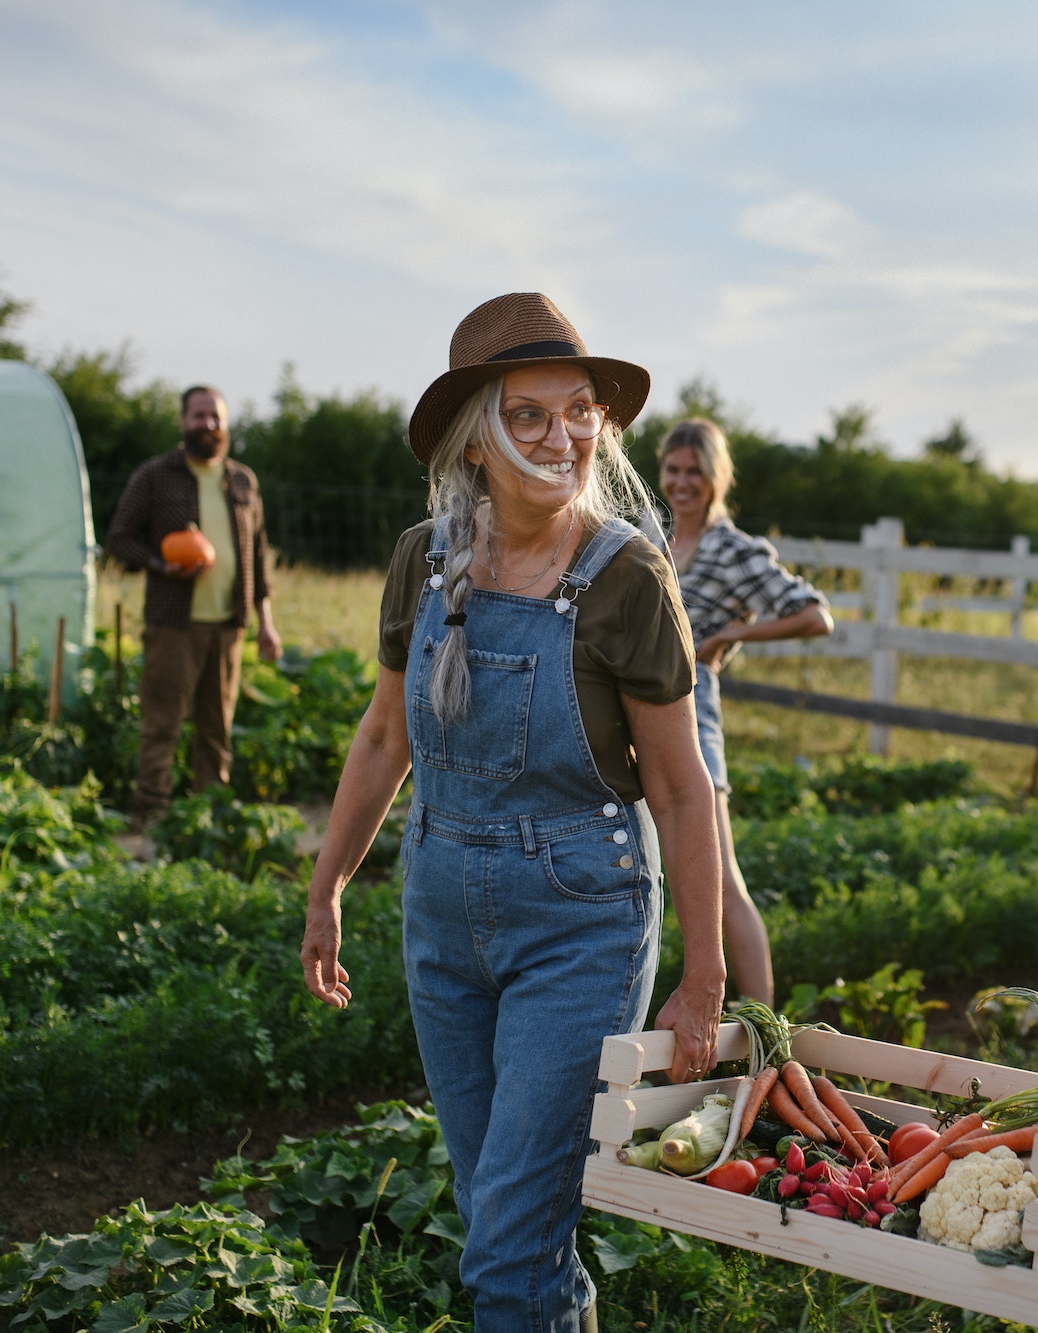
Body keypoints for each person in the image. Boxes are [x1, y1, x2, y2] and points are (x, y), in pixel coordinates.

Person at [298, 293, 724, 1333]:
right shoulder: (422, 558)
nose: (561, 435)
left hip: (579, 914)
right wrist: (327, 885)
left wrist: (704, 971)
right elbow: (383, 737)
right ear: (474, 443)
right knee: (507, 1214)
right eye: (526, 415)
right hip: (440, 909)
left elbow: (678, 784)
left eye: (578, 410)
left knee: (505, 1251)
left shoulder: (625, 573)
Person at [657, 418, 833, 1004]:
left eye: (695, 473)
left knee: (717, 877)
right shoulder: (649, 535)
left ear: (716, 478)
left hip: (691, 708)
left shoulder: (734, 549)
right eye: (674, 470)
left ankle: (768, 1034)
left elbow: (814, 614)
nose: (682, 483)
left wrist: (734, 631)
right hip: (632, 714)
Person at [104, 385, 282, 820]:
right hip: (172, 624)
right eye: (199, 416)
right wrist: (162, 565)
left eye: (216, 417)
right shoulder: (155, 475)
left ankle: (207, 818)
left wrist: (266, 623)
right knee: (162, 724)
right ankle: (152, 816)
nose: (208, 424)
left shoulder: (243, 479)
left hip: (228, 625)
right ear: (183, 421)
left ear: (225, 424)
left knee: (216, 729)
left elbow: (258, 557)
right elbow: (119, 538)